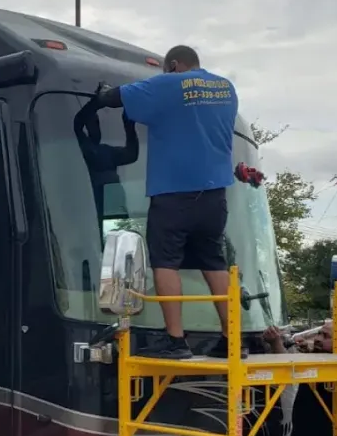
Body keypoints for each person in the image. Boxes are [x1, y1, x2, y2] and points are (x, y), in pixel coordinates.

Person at [75, 45, 239, 359]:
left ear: (174, 65)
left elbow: (114, 97)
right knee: (214, 261)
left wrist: (102, 94)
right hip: (216, 196)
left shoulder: (167, 84)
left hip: (174, 194)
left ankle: (176, 341)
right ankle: (232, 338)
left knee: (166, 262)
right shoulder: (226, 88)